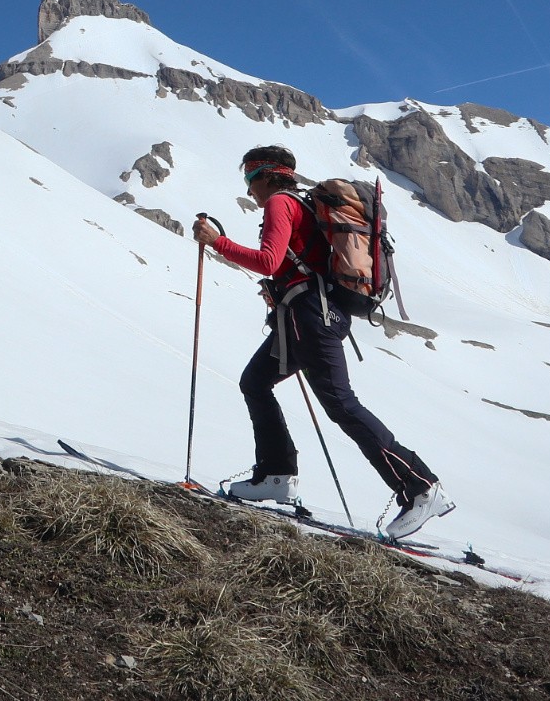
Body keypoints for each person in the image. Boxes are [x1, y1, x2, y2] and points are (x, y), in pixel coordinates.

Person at [192, 145, 453, 540]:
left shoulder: (280, 202)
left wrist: (217, 242)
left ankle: (420, 486)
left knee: (340, 403)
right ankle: (276, 475)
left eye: (249, 178)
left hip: (311, 317)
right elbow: (292, 264)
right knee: (256, 382)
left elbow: (269, 260)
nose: (249, 189)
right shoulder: (301, 203)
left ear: (267, 175)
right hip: (306, 313)